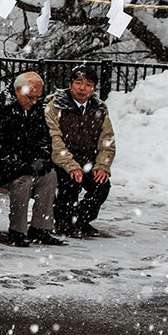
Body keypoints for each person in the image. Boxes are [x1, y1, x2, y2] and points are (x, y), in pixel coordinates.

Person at [0, 72, 65, 247]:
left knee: (49, 176)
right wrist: (21, 165)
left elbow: (44, 139)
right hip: (2, 166)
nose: (34, 102)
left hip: (27, 163)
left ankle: (40, 228)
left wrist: (42, 159)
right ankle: (17, 231)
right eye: (31, 97)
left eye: (38, 98)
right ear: (18, 90)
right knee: (24, 181)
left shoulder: (35, 108)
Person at [46, 64, 115, 237]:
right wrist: (70, 165)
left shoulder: (99, 108)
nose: (83, 88)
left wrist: (102, 165)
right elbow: (55, 140)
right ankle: (62, 221)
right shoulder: (56, 106)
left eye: (88, 84)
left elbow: (107, 140)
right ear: (70, 85)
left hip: (88, 160)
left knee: (101, 184)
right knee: (69, 183)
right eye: (78, 83)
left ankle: (80, 219)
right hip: (61, 159)